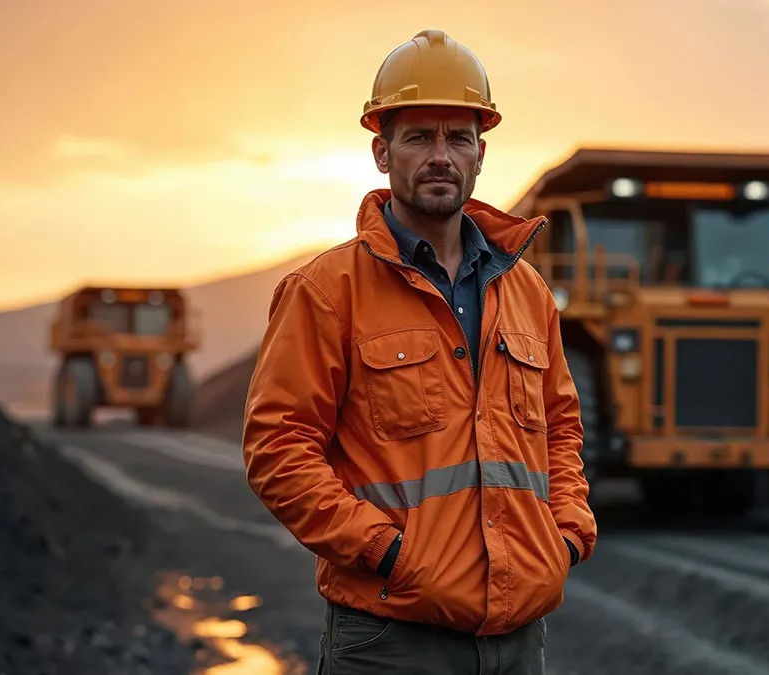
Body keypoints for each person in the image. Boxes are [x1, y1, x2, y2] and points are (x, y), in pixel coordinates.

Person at [241, 28, 597, 675]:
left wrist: (566, 532)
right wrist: (386, 551)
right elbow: (278, 447)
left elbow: (562, 429)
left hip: (518, 642)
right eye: (419, 137)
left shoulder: (529, 293)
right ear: (382, 151)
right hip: (390, 642)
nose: (442, 155)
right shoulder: (327, 291)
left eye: (458, 137)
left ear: (481, 153)